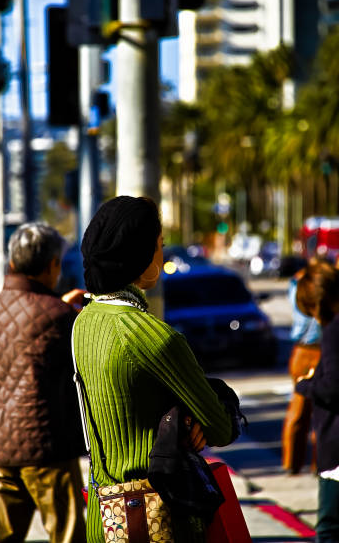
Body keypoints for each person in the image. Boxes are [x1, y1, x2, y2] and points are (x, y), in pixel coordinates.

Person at [74, 195, 235, 542]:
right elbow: (220, 428)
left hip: (103, 519)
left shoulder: (83, 324)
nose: (162, 255)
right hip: (156, 520)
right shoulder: (154, 338)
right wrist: (195, 417)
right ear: (138, 255)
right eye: (158, 246)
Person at [0, 222, 86, 543]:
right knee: (67, 536)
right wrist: (65, 309)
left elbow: (21, 327)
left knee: (0, 538)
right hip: (48, 450)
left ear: (12, 263)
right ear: (53, 264)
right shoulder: (60, 315)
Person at [295, 261, 339, 542]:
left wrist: (305, 384)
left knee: (328, 528)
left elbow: (333, 387)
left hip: (336, 449)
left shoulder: (334, 331)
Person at [281, 262, 323, 474]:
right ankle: (298, 463)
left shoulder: (297, 284)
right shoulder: (309, 287)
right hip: (311, 350)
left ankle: (296, 464)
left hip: (305, 350)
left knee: (302, 410)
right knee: (311, 410)